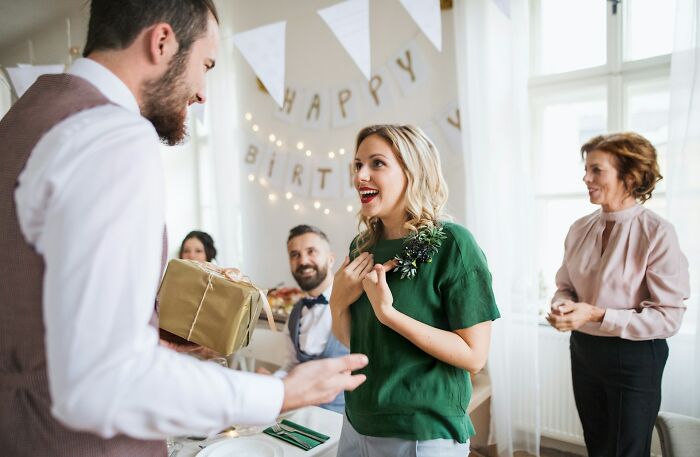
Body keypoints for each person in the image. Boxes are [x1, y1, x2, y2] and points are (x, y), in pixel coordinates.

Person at [0, 1, 367, 455]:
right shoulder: (112, 135)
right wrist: (280, 394)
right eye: (206, 64)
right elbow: (103, 379)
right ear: (162, 42)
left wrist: (145, 341)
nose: (202, 93)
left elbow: (36, 318)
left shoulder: (22, 121)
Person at [330, 125, 500, 456]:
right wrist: (337, 302)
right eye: (357, 165)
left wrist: (389, 315)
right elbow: (356, 341)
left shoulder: (454, 245)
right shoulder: (362, 246)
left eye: (377, 163)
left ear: (413, 171)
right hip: (357, 422)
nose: (361, 175)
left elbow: (474, 356)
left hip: (422, 433)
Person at [546, 132, 689, 457]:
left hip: (636, 357)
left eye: (597, 170)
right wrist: (563, 307)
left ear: (630, 176)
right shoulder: (580, 228)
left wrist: (595, 314)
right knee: (597, 446)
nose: (586, 178)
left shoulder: (657, 233)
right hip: (584, 350)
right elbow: (565, 286)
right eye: (587, 169)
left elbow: (669, 317)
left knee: (627, 451)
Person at [258, 225, 350, 414]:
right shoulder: (296, 313)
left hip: (343, 420)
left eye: (311, 252)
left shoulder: (353, 304)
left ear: (331, 259)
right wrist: (273, 382)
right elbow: (292, 365)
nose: (303, 261)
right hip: (299, 415)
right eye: (295, 255)